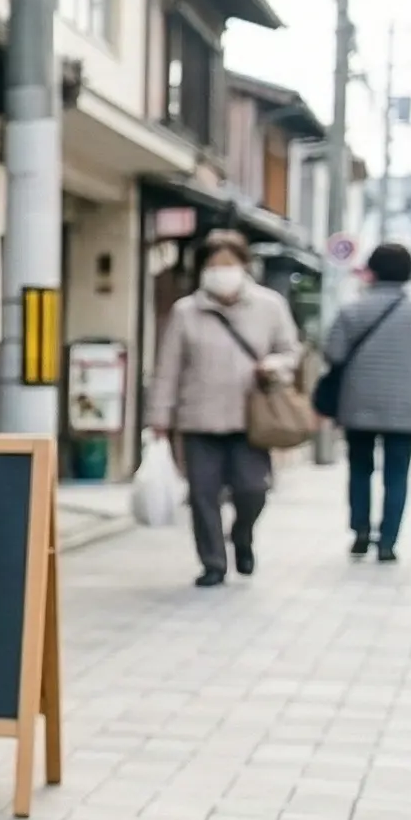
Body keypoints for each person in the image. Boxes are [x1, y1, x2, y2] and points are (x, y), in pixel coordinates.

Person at [144, 230, 300, 587]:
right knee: (202, 494)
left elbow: (291, 351)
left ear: (244, 266)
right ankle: (213, 562)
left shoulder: (269, 306)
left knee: (252, 490)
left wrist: (275, 365)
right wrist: (159, 417)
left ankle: (242, 535)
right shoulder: (186, 312)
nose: (221, 271)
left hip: (251, 419)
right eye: (213, 265)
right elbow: (168, 368)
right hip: (198, 418)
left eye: (228, 264)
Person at [323, 243, 411, 561]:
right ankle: (388, 542)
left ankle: (360, 531)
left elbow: (333, 354)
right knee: (397, 474)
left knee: (360, 468)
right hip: (408, 407)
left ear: (371, 270)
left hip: (358, 404)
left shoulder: (352, 311)